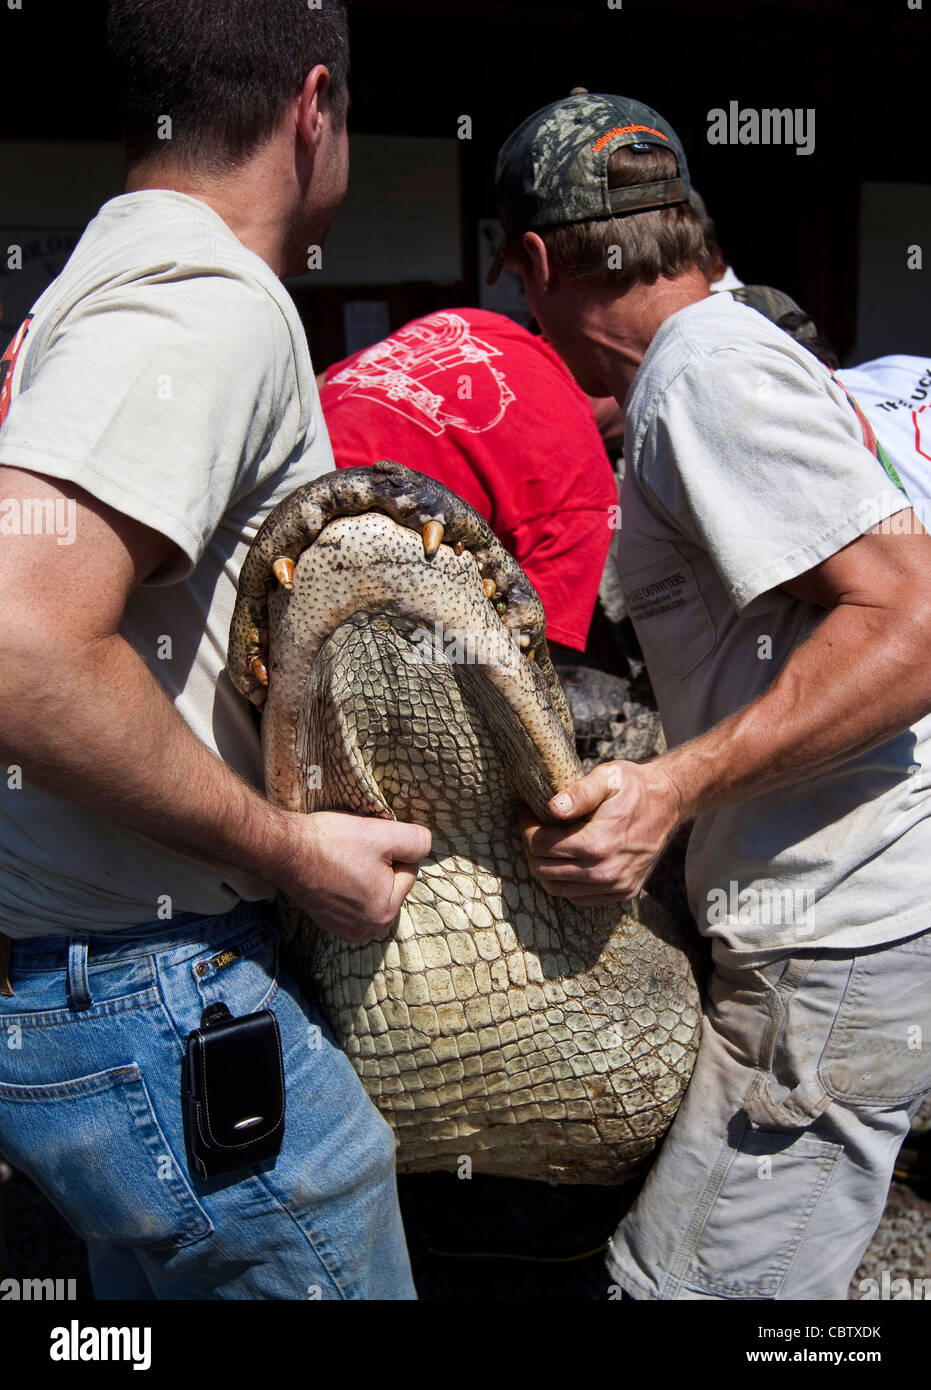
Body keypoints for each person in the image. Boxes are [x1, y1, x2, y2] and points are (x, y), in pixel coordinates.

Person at [0, 0, 427, 1300]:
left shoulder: (85, 290)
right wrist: (291, 850)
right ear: (314, 109)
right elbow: (17, 638)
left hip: (91, 979)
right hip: (161, 991)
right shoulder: (210, 305)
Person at [490, 91, 931, 1300]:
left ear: (536, 263)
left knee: (685, 1290)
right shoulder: (754, 348)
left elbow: (910, 620)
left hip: (836, 934)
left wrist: (670, 787)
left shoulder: (702, 376)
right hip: (840, 923)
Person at [319, 307, 618, 657]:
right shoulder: (586, 489)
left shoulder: (470, 319)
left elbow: (318, 382)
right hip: (336, 566)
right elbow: (520, 656)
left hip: (266, 489)